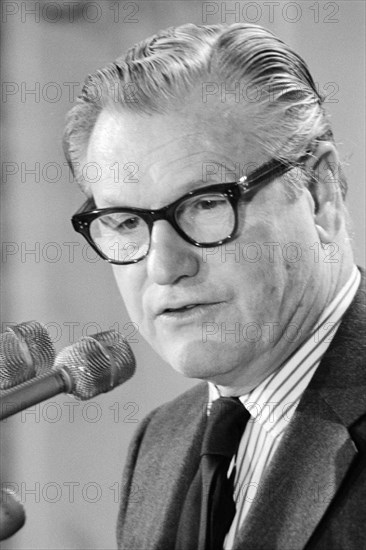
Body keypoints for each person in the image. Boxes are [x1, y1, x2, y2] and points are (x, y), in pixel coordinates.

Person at [63, 23, 365, 550]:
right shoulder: (159, 443)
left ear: (319, 195)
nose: (163, 268)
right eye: (126, 223)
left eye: (204, 205)